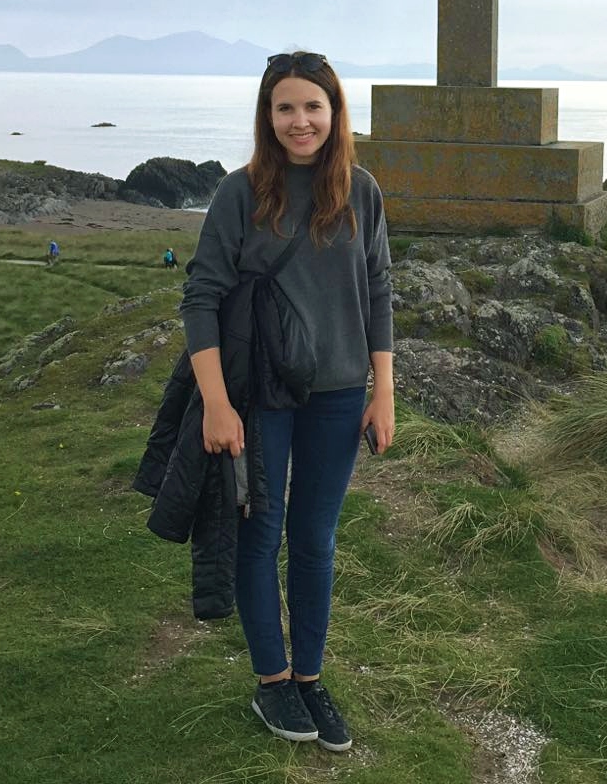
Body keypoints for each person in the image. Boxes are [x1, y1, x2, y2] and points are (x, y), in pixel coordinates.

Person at [179, 50, 393, 753]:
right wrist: (216, 403)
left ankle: (309, 678)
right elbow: (202, 296)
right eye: (285, 108)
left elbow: (380, 292)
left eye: (312, 107)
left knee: (315, 539)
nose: (300, 121)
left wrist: (382, 391)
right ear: (267, 117)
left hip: (338, 394)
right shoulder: (240, 194)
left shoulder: (361, 190)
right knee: (260, 533)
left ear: (334, 114)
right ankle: (271, 682)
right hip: (260, 395)